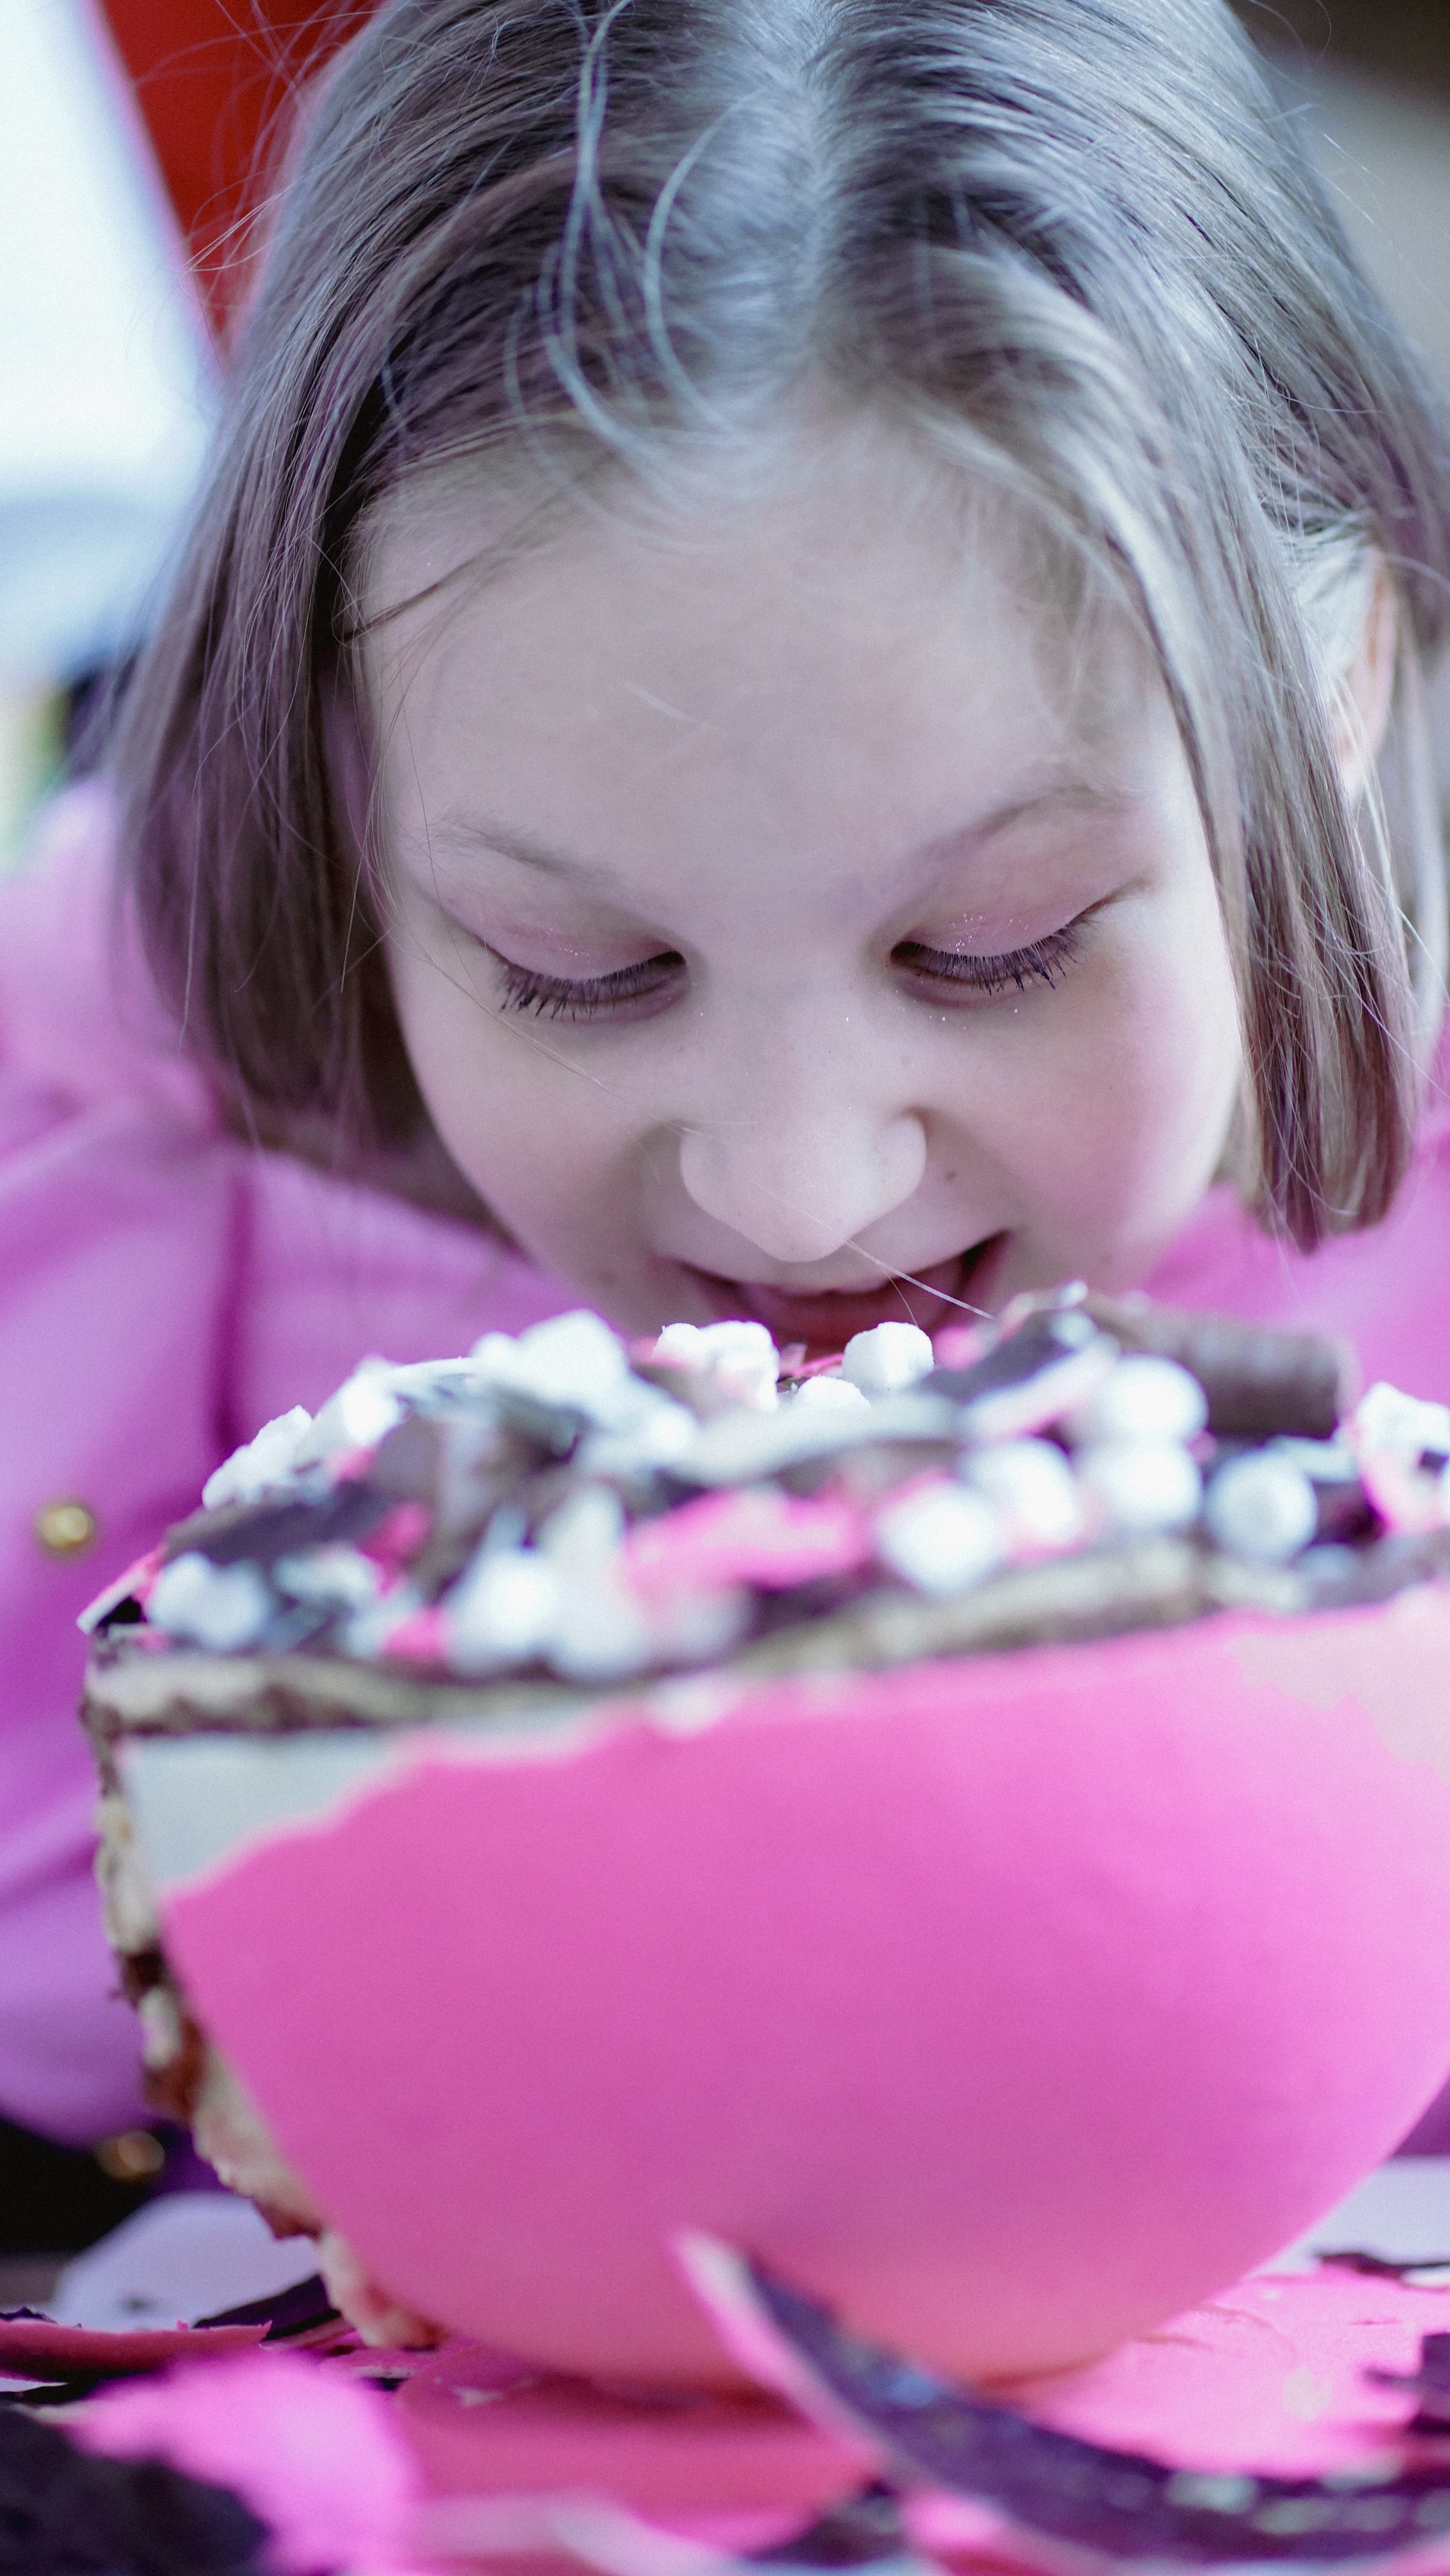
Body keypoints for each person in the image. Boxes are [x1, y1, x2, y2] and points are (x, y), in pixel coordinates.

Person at [6, 0, 1450, 2214]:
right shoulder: (126, 1102)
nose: (798, 1196)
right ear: (343, 775)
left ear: (1334, 687)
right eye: (584, 974)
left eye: (997, 945)